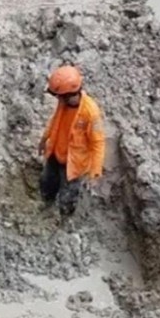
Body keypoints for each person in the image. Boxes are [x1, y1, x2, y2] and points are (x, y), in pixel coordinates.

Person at [37, 65, 106, 218]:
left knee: (68, 195)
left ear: (69, 94)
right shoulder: (64, 104)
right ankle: (46, 205)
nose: (57, 99)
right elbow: (54, 122)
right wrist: (44, 139)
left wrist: (95, 172)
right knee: (47, 182)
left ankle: (64, 218)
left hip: (73, 162)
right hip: (56, 153)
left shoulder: (90, 112)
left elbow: (98, 143)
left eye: (59, 96)